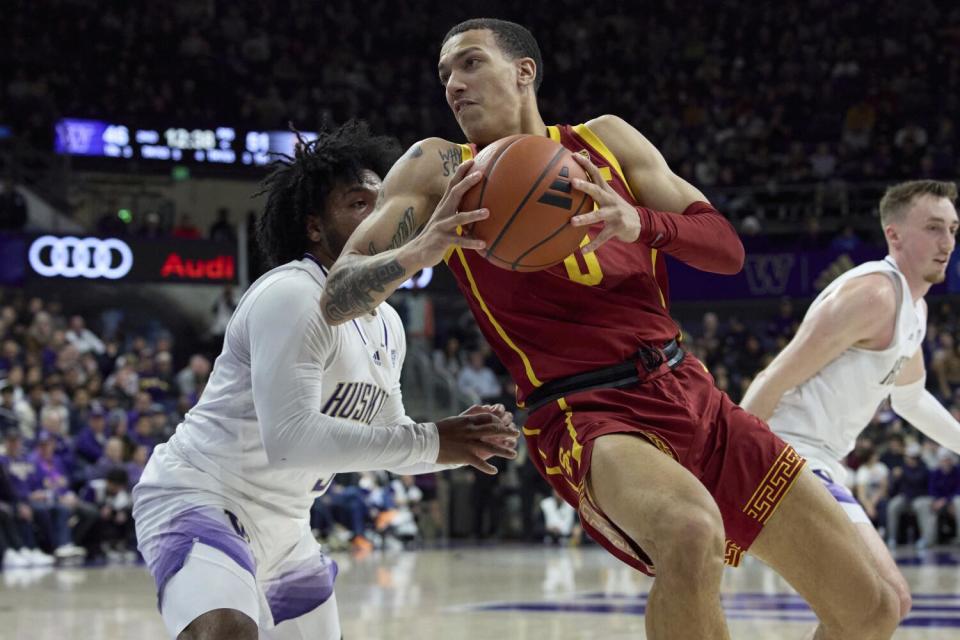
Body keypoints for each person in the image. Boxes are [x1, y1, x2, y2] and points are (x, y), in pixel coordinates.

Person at [320, 18, 902, 639]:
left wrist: (642, 223)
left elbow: (727, 250)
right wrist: (421, 250)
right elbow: (337, 293)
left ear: (524, 71)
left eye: (469, 64)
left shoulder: (606, 141)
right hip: (585, 409)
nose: (453, 85)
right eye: (444, 75)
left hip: (688, 388)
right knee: (690, 532)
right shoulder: (439, 167)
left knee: (870, 607)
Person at [131, 121, 518, 640]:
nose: (377, 215)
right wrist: (430, 441)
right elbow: (291, 443)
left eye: (383, 203)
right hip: (201, 496)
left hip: (288, 524)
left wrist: (449, 441)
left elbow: (389, 434)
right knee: (227, 633)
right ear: (314, 227)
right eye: (358, 203)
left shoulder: (388, 323)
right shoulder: (292, 295)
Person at [742, 179, 960, 622]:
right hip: (786, 454)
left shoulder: (912, 309)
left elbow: (911, 399)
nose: (948, 242)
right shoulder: (872, 295)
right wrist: (727, 471)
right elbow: (773, 376)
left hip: (819, 460)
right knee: (880, 601)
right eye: (934, 228)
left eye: (953, 229)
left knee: (880, 607)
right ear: (893, 234)